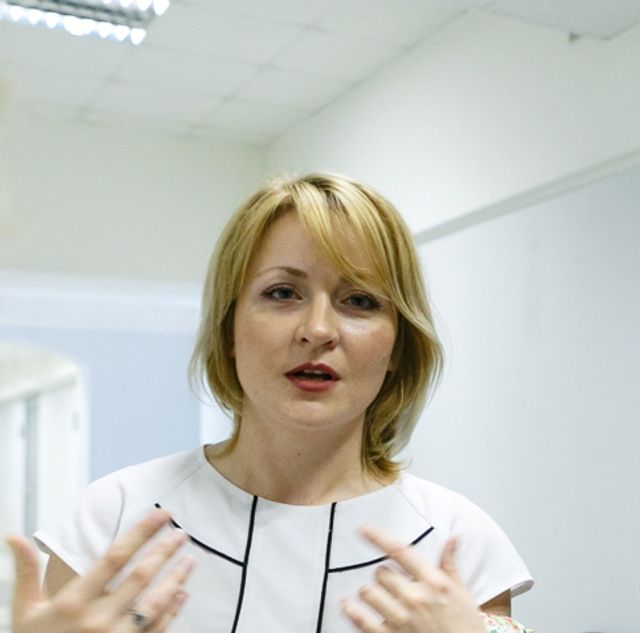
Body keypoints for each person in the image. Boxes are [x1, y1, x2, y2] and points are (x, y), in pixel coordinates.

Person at [8, 173, 535, 632]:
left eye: (359, 300)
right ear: (229, 328)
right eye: (283, 293)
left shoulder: (457, 541)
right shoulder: (115, 516)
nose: (318, 330)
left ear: (398, 345)